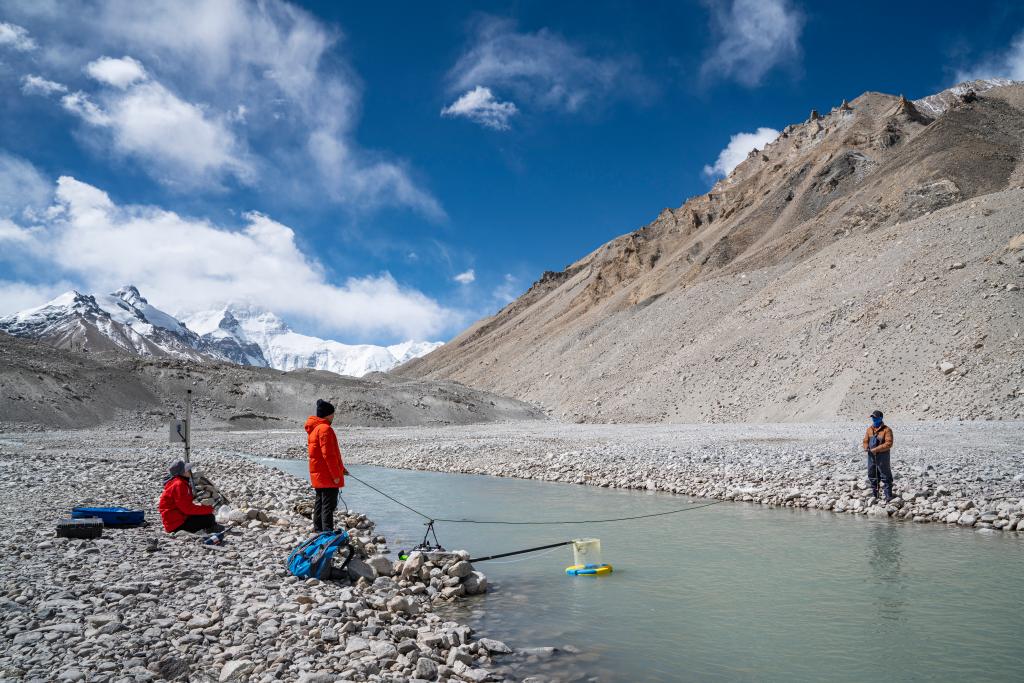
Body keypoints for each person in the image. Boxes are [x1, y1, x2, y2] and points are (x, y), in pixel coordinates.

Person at [305, 399, 347, 532]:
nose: (334, 416)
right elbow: (328, 455)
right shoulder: (325, 429)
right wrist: (336, 475)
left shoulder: (315, 428)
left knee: (320, 502)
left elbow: (325, 455)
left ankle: (318, 529)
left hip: (319, 474)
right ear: (328, 414)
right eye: (332, 414)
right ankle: (327, 532)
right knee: (328, 505)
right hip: (327, 475)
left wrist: (342, 470)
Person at [158, 460, 223, 533]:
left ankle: (209, 528)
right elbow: (187, 509)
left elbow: (184, 506)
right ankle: (210, 529)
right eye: (187, 469)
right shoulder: (179, 484)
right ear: (182, 473)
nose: (189, 471)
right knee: (209, 518)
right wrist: (208, 509)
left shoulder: (177, 482)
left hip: (173, 521)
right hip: (176, 525)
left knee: (207, 516)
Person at [862, 410, 894, 502]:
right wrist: (865, 447)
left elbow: (889, 444)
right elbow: (865, 441)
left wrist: (876, 449)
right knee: (872, 474)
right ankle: (875, 495)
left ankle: (888, 496)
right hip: (871, 456)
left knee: (885, 475)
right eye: (872, 417)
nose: (873, 419)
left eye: (875, 417)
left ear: (880, 418)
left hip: (883, 456)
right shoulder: (869, 429)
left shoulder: (887, 430)